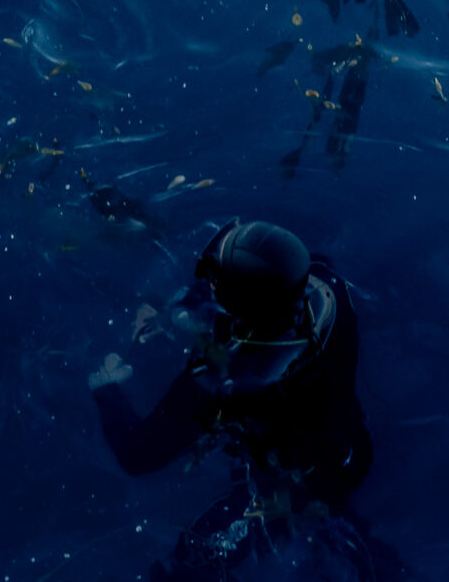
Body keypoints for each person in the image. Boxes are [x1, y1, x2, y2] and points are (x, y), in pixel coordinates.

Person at [91, 219, 381, 579]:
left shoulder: (229, 382)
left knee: (183, 565)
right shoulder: (325, 288)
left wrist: (106, 390)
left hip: (290, 484)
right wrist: (181, 307)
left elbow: (138, 455)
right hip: (350, 450)